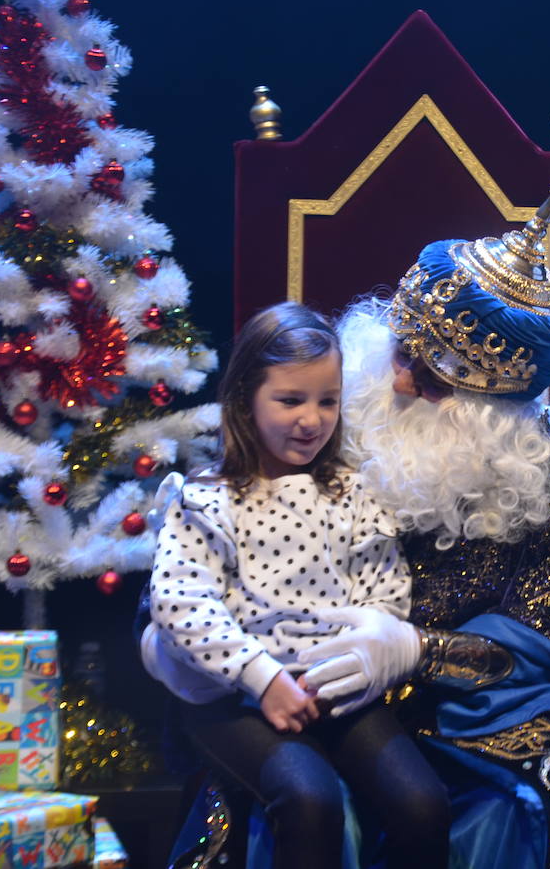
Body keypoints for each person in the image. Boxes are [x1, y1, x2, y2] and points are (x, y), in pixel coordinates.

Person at [147, 165, 550, 868]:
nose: (396, 379)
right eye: (402, 350)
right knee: (272, 792)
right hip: (296, 681)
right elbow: (207, 551)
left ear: (496, 411)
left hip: (474, 710)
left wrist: (412, 650)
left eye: (430, 377)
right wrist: (178, 649)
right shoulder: (331, 411)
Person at [142, 301, 450, 869]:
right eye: (290, 400)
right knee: (309, 799)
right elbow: (182, 603)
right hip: (238, 699)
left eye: (327, 401)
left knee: (423, 803)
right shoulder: (207, 501)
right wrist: (263, 679)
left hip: (331, 691)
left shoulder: (350, 493)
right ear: (244, 400)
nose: (312, 419)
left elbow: (385, 589)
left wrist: (362, 655)